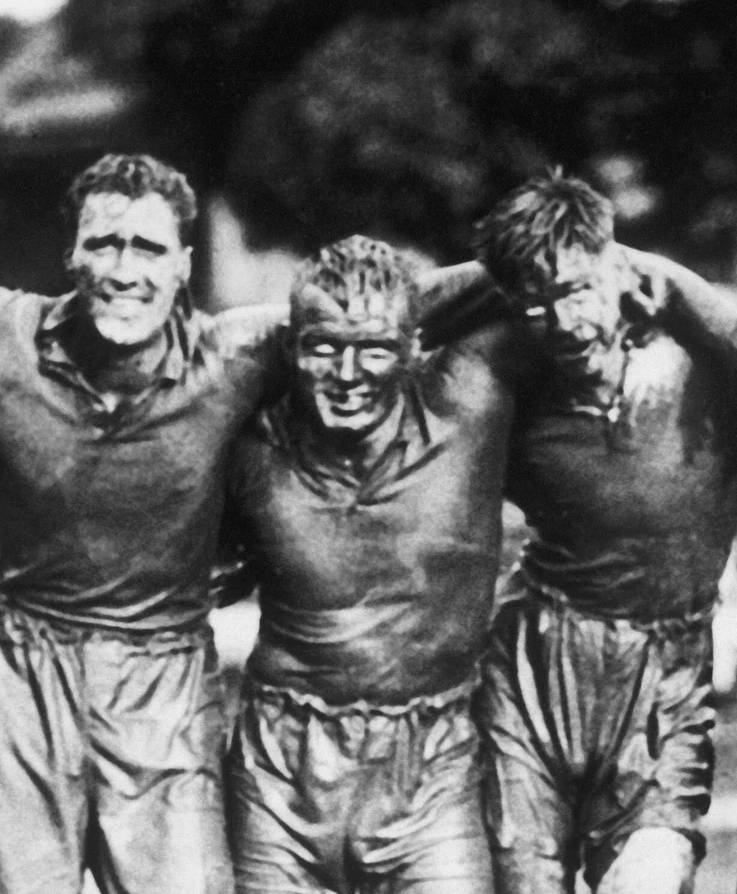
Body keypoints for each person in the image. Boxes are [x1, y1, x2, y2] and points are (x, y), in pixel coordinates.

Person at [469, 170, 737, 894]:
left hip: (666, 679)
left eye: (576, 290)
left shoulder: (706, 374)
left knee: (650, 878)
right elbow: (395, 323)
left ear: (615, 268)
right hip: (537, 667)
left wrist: (664, 275)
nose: (564, 322)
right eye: (537, 304)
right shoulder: (514, 382)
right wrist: (501, 281)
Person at [0, 153, 284, 894]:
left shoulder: (231, 357)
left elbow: (386, 308)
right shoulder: (11, 343)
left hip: (163, 676)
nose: (125, 269)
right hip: (23, 670)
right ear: (72, 254)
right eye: (104, 244)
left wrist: (598, 259)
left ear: (184, 264)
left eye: (149, 248)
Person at [223, 235, 526, 894]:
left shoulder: (468, 405)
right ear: (290, 346)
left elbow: (545, 260)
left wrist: (408, 301)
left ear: (416, 347)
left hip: (432, 767)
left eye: (376, 349)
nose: (349, 374)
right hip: (282, 768)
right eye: (324, 347)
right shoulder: (253, 438)